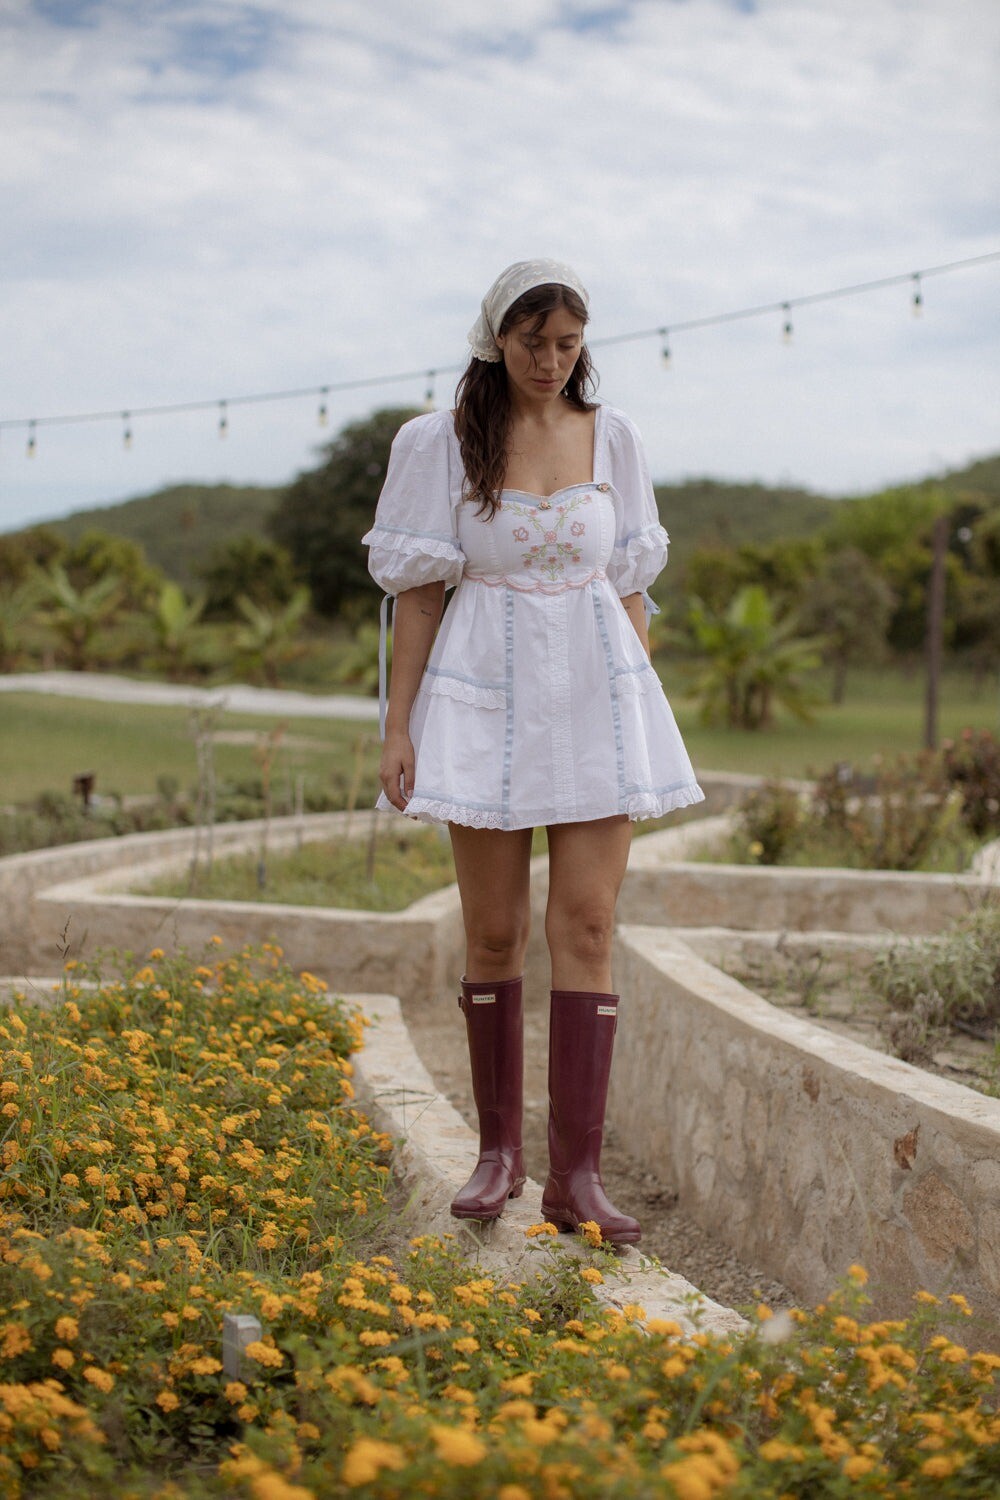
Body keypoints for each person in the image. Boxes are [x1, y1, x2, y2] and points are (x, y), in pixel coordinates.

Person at [362, 259, 703, 1246]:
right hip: (484, 703)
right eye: (532, 343)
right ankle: (498, 1156)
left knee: (587, 925)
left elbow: (630, 584)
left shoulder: (614, 436)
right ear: (495, 340)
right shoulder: (438, 442)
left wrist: (637, 705)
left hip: (597, 699)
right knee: (495, 934)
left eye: (567, 344)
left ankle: (577, 1179)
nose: (551, 362)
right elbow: (418, 597)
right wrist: (399, 726)